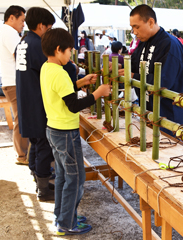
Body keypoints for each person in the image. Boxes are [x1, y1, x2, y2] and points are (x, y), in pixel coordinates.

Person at [40, 28, 111, 235]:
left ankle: (62, 216)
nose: (71, 54)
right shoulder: (60, 73)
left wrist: (80, 82)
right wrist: (97, 94)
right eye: (70, 50)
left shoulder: (47, 68)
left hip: (53, 129)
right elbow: (72, 105)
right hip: (65, 132)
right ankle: (67, 224)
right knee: (76, 178)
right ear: (59, 49)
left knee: (63, 176)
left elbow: (62, 92)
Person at [118, 4, 183, 136]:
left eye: (136, 27)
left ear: (150, 22)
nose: (134, 32)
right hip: (149, 111)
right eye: (132, 28)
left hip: (168, 115)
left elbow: (163, 82)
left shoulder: (170, 44)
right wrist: (119, 67)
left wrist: (133, 75)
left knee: (166, 153)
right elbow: (133, 65)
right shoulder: (144, 42)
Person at [15, 7, 56, 201]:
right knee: (44, 146)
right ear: (41, 26)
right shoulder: (38, 45)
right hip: (37, 103)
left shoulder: (22, 42)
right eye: (49, 28)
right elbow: (50, 71)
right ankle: (44, 189)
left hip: (26, 100)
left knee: (35, 143)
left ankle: (37, 178)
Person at [0, 5, 29, 165]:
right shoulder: (9, 32)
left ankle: (22, 154)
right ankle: (22, 155)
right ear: (12, 18)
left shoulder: (6, 32)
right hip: (14, 83)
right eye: (22, 20)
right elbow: (21, 56)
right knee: (22, 118)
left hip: (12, 82)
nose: (24, 24)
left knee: (21, 118)